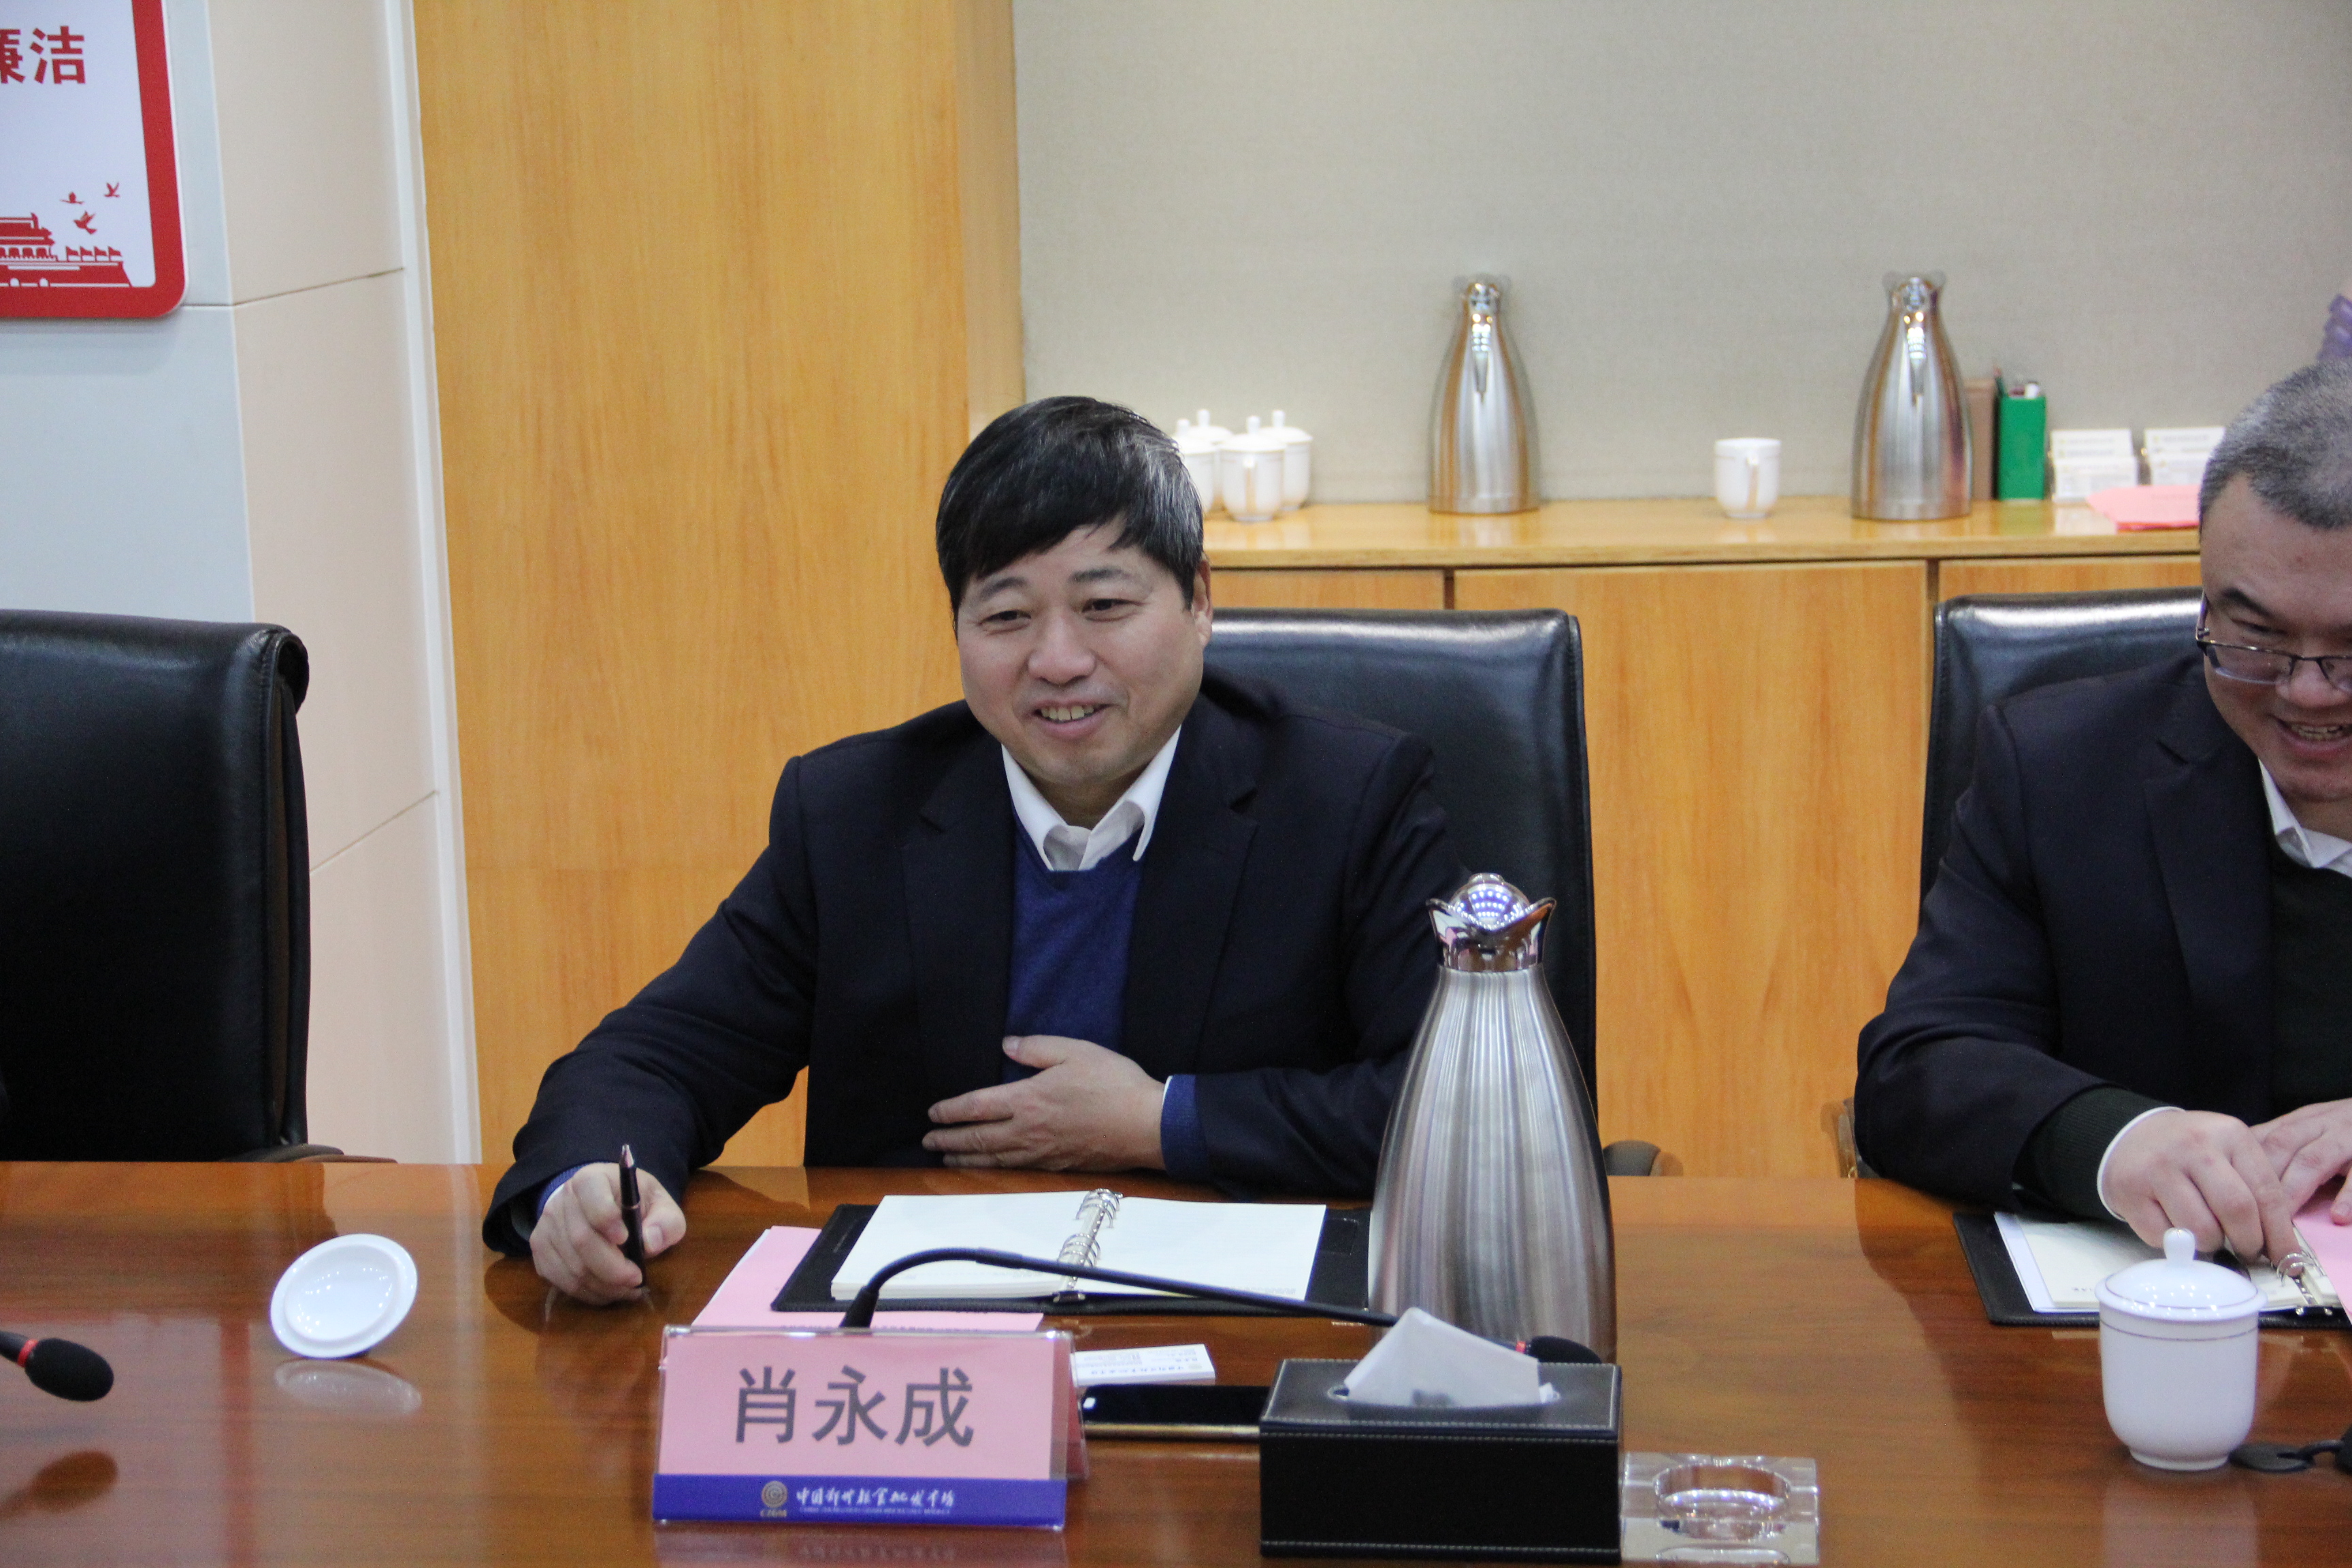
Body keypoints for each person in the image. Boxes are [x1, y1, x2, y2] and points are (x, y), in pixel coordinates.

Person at [488, 396, 1463, 1301]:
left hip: (1240, 1324)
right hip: (931, 1335)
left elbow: (1456, 1109)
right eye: (1006, 617)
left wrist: (1160, 1122)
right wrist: (586, 1185)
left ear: (1200, 601)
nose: (1058, 661)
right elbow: (659, 1056)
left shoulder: (1347, 801)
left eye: (1104, 607)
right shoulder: (854, 815)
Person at [1856, 361, 2352, 1264]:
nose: (2309, 693)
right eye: (2257, 637)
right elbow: (1918, 1070)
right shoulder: (2062, 769)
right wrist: (2114, 1141)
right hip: (2144, 1313)